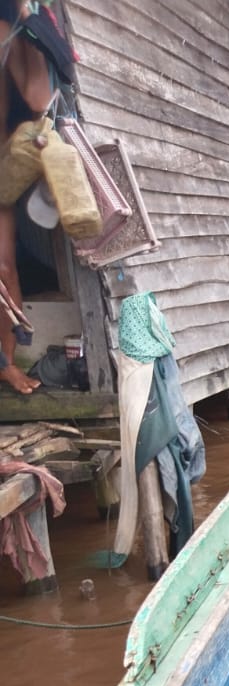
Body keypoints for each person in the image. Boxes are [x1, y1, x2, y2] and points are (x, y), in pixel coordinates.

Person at [0, 0, 53, 395]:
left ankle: (7, 364)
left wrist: (26, 19)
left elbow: (38, 99)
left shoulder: (13, 33)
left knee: (5, 269)